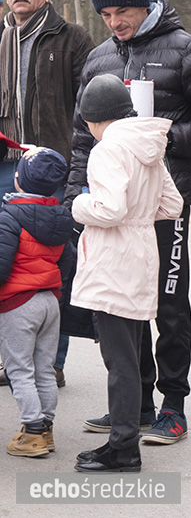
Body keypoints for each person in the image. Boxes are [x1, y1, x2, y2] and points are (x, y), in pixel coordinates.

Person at [68, 0, 191, 444]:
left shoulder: (186, 49)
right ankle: (135, 405)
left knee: (168, 304)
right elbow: (81, 136)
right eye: (106, 14)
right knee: (122, 304)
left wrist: (161, 138)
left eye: (123, 10)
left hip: (167, 202)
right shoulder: (98, 58)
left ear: (145, 4)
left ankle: (173, 406)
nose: (115, 22)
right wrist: (75, 194)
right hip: (113, 210)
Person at [69, 74, 183, 472]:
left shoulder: (107, 150)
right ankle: (125, 439)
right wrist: (141, 213)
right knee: (130, 354)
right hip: (142, 253)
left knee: (119, 361)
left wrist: (78, 204)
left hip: (113, 259)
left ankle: (123, 447)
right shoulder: (148, 146)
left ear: (93, 119)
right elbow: (172, 204)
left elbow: (110, 209)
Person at [0, 0, 95, 389]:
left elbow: (89, 109)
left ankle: (50, 362)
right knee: (5, 263)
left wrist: (81, 165)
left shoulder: (73, 39)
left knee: (49, 266)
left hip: (50, 169)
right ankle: (11, 358)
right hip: (5, 166)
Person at [0, 145, 74, 457]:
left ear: (18, 179)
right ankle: (46, 429)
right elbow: (67, 261)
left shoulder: (9, 216)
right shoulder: (61, 218)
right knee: (44, 369)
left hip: (18, 302)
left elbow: (2, 266)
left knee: (19, 370)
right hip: (49, 301)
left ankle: (31, 432)